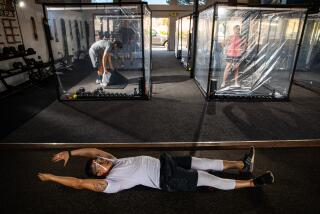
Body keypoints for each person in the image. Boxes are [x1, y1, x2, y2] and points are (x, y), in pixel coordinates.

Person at [38, 147, 274, 193]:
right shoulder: (112, 183)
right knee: (206, 178)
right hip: (168, 178)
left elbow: (93, 151)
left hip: (166, 162)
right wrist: (52, 177)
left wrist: (70, 153)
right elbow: (80, 183)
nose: (100, 161)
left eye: (99, 160)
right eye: (98, 167)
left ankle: (243, 165)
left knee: (203, 161)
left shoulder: (114, 160)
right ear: (100, 175)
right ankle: (253, 183)